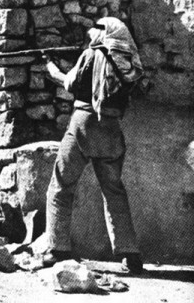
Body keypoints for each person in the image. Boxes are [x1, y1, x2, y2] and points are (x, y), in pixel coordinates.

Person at [41, 17, 144, 274]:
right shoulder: (129, 62)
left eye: (96, 31)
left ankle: (57, 249)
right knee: (114, 191)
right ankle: (130, 255)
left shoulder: (91, 55)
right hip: (111, 129)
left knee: (61, 186)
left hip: (84, 125)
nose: (91, 35)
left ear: (104, 34)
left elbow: (71, 84)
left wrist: (50, 66)